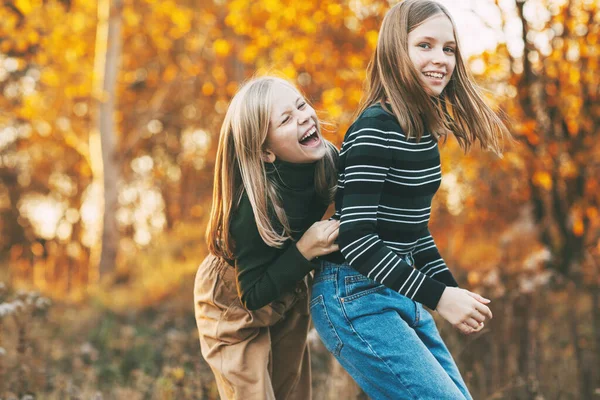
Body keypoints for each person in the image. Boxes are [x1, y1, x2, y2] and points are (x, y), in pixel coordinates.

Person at [311, 1, 510, 399]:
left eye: (448, 49)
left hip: (398, 285)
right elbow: (358, 239)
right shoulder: (374, 129)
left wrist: (453, 292)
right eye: (425, 46)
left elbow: (414, 234)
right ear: (395, 51)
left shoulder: (422, 135)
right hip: (353, 295)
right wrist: (441, 297)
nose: (440, 59)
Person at [194, 76, 339, 400]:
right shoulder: (253, 208)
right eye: (286, 119)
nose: (302, 116)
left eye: (301, 105)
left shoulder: (326, 161)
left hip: (287, 282)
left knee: (291, 391)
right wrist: (306, 249)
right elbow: (253, 294)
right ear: (266, 152)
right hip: (233, 299)